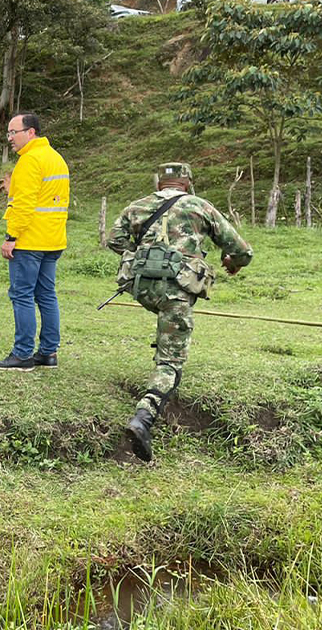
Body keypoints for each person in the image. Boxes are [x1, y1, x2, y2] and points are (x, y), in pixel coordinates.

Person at [107, 162, 253, 461]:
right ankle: (143, 417)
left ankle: (164, 350)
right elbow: (242, 251)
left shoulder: (138, 206)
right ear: (187, 182)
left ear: (160, 182)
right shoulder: (200, 207)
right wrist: (231, 262)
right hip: (177, 290)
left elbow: (114, 240)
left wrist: (146, 254)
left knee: (167, 322)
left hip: (142, 287)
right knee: (171, 361)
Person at [0, 112, 70, 372]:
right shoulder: (56, 159)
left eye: (13, 132)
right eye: (8, 133)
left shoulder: (30, 161)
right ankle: (48, 352)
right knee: (47, 295)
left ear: (31, 132)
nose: (10, 138)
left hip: (29, 241)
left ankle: (22, 354)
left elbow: (23, 204)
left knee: (22, 294)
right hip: (53, 240)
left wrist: (11, 236)